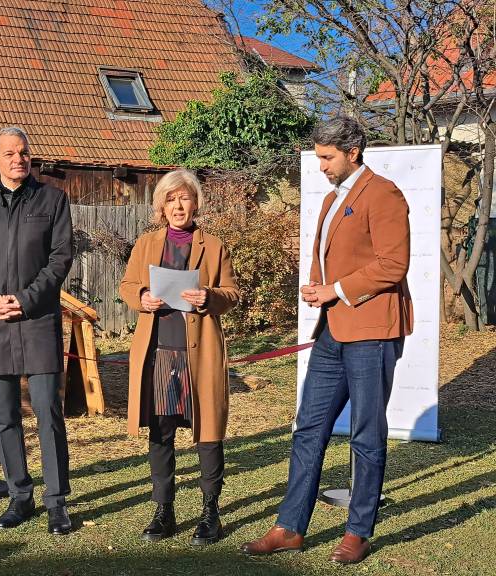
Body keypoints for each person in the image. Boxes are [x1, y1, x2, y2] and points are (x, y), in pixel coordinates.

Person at [242, 116, 413, 564]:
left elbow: (394, 264)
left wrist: (334, 289)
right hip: (332, 332)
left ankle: (358, 532)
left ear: (352, 152)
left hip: (372, 333)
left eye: (327, 157)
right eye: (319, 157)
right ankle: (289, 527)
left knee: (366, 435)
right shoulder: (332, 198)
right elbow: (329, 255)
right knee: (308, 429)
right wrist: (319, 286)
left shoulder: (384, 194)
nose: (320, 166)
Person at [0, 126, 74, 535]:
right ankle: (19, 496)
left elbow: (60, 258)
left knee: (48, 412)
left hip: (38, 320)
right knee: (4, 417)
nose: (18, 159)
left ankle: (57, 503)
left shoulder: (53, 200)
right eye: (9, 154)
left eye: (23, 152)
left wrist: (26, 298)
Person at [119, 169, 240, 546]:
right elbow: (127, 285)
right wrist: (142, 297)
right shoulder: (146, 244)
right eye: (170, 199)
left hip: (200, 353)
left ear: (195, 203)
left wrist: (209, 297)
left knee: (208, 433)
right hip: (159, 351)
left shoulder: (214, 246)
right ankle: (164, 511)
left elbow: (232, 293)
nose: (178, 206)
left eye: (184, 198)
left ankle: (210, 513)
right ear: (161, 206)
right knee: (161, 432)